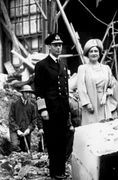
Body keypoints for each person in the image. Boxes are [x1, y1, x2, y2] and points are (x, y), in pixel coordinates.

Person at [34, 33, 70, 180]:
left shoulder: (62, 65)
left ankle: (61, 170)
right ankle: (54, 172)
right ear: (49, 47)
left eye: (60, 45)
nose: (58, 47)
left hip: (62, 110)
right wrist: (42, 109)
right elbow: (39, 90)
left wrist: (67, 110)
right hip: (49, 110)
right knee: (53, 141)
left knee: (62, 141)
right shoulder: (42, 65)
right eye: (55, 45)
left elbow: (65, 90)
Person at [77, 39, 118, 125]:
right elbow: (81, 87)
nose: (94, 53)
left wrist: (107, 93)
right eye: (91, 51)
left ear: (99, 53)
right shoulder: (83, 68)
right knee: (92, 128)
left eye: (96, 51)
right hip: (91, 102)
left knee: (105, 127)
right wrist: (87, 103)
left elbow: (111, 84)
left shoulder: (106, 68)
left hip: (104, 103)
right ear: (87, 54)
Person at [9, 85, 37, 152]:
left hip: (26, 131)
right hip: (15, 130)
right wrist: (17, 130)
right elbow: (11, 118)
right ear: (22, 93)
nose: (28, 94)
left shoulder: (32, 106)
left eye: (29, 93)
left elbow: (34, 120)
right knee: (15, 145)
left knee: (26, 149)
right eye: (26, 92)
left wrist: (29, 129)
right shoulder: (15, 103)